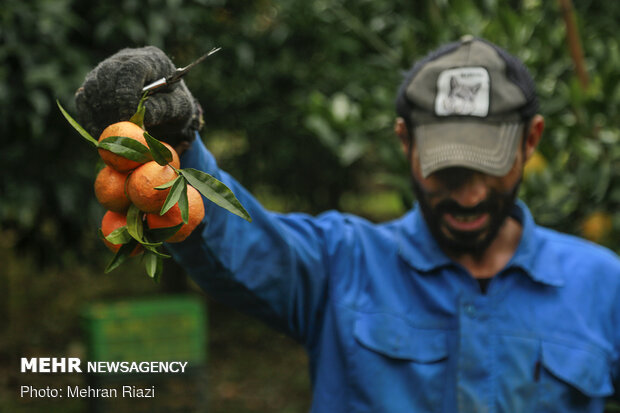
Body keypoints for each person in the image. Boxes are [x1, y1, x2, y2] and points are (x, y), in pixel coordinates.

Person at [76, 36, 620, 412]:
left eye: (490, 166)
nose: (471, 194)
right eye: (447, 170)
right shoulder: (343, 263)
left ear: (531, 141)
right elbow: (248, 247)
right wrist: (180, 149)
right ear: (406, 142)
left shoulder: (602, 284)